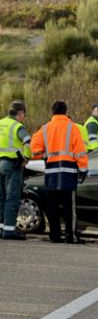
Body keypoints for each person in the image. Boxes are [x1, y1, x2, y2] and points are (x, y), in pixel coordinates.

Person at [30, 101, 88, 244]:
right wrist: (83, 169)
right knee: (69, 207)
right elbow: (80, 152)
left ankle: (55, 235)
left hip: (51, 173)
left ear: (52, 112)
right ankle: (71, 236)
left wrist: (43, 155)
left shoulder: (45, 129)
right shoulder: (73, 128)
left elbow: (34, 148)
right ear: (65, 111)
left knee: (52, 205)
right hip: (68, 172)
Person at [0, 101, 31, 240]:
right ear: (19, 113)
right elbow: (28, 140)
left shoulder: (1, 123)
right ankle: (9, 231)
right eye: (24, 114)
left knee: (0, 198)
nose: (24, 117)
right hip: (12, 165)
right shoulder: (17, 126)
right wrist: (26, 157)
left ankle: (1, 228)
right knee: (12, 198)